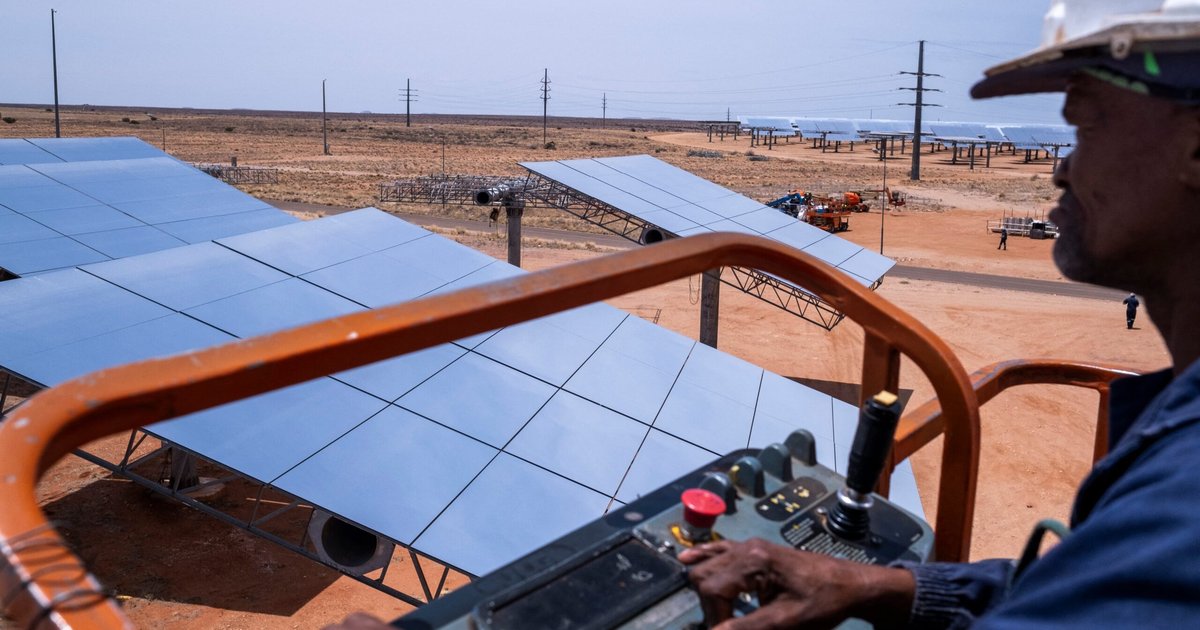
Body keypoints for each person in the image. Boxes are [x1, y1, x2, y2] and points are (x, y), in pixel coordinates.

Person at [680, 2, 1200, 628]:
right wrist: (881, 586)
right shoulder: (1174, 451)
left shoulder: (1183, 506)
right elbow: (1084, 592)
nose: (1061, 168)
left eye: (1085, 131)